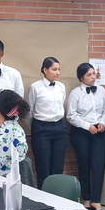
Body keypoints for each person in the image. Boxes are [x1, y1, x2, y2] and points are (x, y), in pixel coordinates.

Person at [66, 63, 105, 210]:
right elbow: (71, 115)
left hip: (98, 130)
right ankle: (87, 199)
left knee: (99, 165)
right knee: (84, 165)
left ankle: (97, 200)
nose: (93, 77)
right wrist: (87, 126)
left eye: (93, 74)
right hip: (81, 132)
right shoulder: (75, 93)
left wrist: (103, 122)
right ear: (81, 78)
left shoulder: (101, 90)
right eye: (89, 75)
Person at [27, 57, 68, 188]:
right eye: (54, 69)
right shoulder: (35, 87)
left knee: (58, 167)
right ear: (45, 70)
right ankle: (43, 197)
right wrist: (37, 126)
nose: (57, 72)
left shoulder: (61, 86)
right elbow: (29, 111)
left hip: (60, 127)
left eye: (59, 69)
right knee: (43, 167)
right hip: (41, 128)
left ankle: (57, 196)